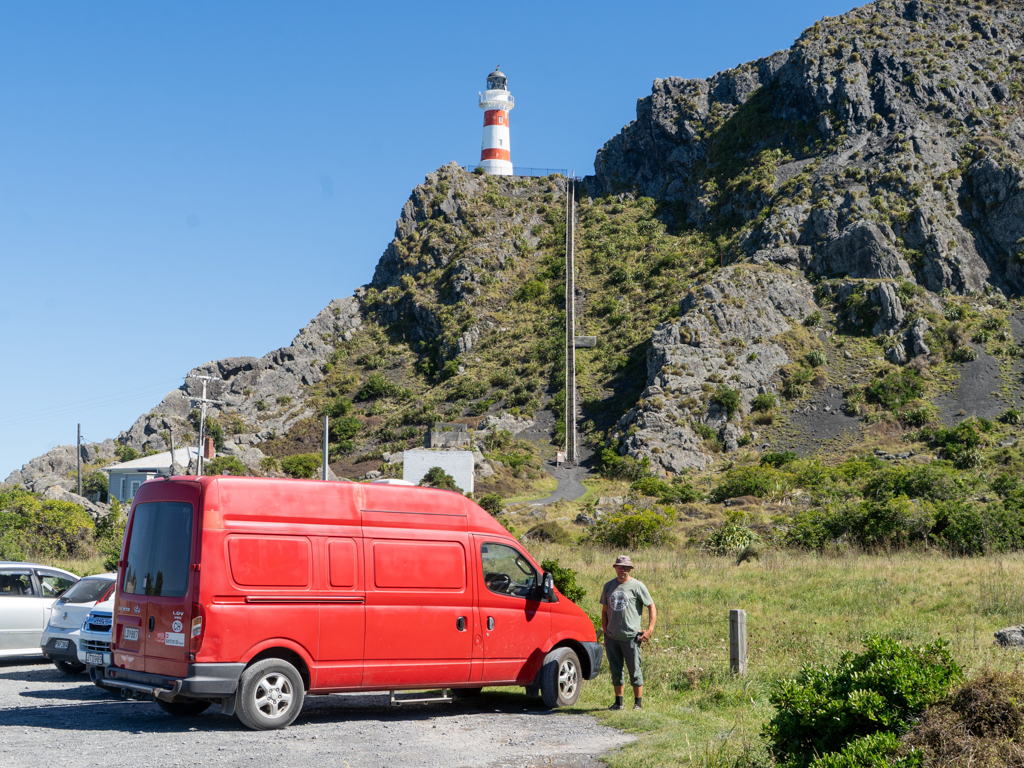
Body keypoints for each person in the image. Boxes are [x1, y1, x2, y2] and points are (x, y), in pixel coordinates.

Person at [600, 555, 656, 710]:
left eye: (625, 567)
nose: (622, 570)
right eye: (619, 566)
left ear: (630, 569)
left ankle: (638, 703)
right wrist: (606, 632)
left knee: (635, 671)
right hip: (612, 637)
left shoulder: (637, 586)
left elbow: (651, 606)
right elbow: (604, 611)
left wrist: (649, 629)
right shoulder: (608, 586)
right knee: (616, 670)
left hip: (631, 637)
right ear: (615, 568)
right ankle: (618, 702)